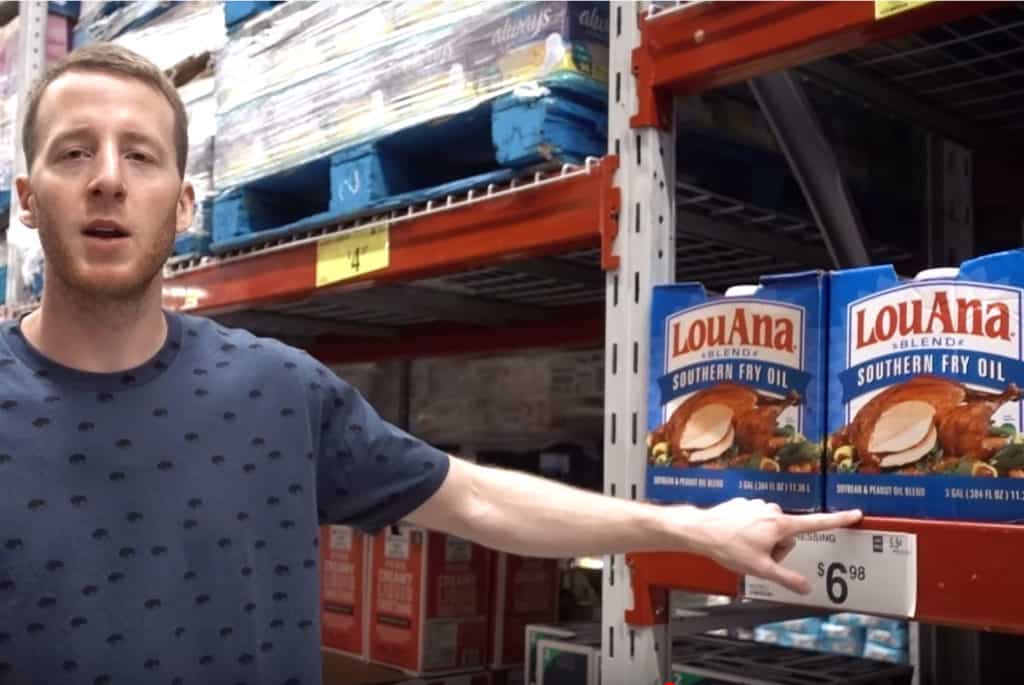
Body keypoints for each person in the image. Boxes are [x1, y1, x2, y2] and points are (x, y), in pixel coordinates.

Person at [1, 43, 861, 684]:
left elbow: (476, 496)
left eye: (140, 154)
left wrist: (689, 528)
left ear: (184, 205)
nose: (108, 179)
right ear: (29, 199)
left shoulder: (275, 392)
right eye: (74, 152)